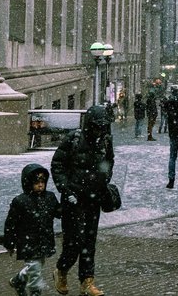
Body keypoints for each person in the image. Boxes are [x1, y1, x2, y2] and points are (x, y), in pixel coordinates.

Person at [51, 104, 114, 296]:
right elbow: (57, 164)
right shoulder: (74, 139)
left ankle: (87, 282)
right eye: (97, 126)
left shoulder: (105, 140)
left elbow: (109, 161)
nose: (100, 130)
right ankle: (62, 270)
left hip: (93, 199)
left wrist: (104, 180)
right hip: (74, 199)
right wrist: (66, 188)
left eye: (103, 127)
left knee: (89, 241)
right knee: (73, 241)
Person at [3, 164, 61, 296]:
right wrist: (10, 242)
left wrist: (69, 204)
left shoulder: (49, 197)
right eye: (36, 182)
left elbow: (59, 212)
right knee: (35, 269)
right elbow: (10, 224)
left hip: (44, 239)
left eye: (42, 182)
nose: (40, 185)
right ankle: (35, 292)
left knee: (36, 266)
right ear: (28, 183)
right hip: (27, 241)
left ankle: (19, 279)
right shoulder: (20, 201)